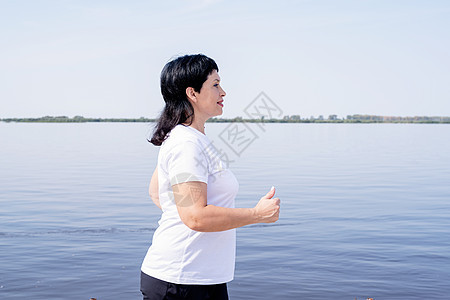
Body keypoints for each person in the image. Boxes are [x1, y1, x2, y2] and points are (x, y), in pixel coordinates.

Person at [140, 54, 280, 300]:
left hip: (198, 278)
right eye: (215, 84)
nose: (223, 92)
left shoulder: (191, 139)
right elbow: (194, 216)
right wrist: (257, 214)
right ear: (192, 93)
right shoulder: (186, 144)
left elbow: (157, 192)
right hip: (181, 281)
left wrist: (183, 215)